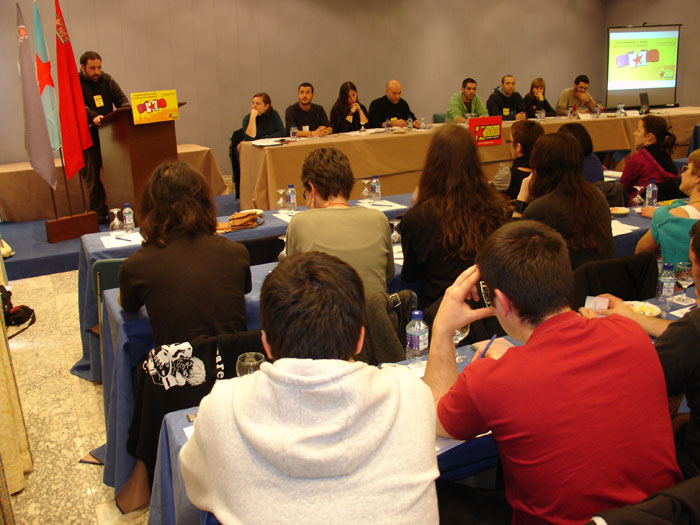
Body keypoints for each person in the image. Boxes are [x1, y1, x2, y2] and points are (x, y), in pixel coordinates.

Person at [424, 220, 681, 524]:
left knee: (435, 496)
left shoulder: (491, 379)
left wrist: (442, 328)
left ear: (501, 302)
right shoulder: (631, 334)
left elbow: (434, 419)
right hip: (658, 516)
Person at [180, 252, 440, 524]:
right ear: (361, 339)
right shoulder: (411, 396)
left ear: (266, 345)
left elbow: (196, 491)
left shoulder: (221, 408)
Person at [117, 161, 253, 511]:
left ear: (151, 209)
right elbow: (243, 290)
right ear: (205, 204)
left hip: (174, 390)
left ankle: (140, 469)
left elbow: (127, 306)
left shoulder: (137, 265)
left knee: (139, 367)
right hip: (235, 380)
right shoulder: (236, 253)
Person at [581, 220, 700, 479]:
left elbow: (628, 386)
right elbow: (682, 334)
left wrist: (597, 333)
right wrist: (629, 315)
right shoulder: (689, 332)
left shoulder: (691, 333)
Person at [399, 124, 507, 310]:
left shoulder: (419, 217)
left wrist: (418, 204)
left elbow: (410, 275)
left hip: (441, 313)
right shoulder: (496, 208)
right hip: (489, 310)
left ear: (432, 163)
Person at [283, 148, 394, 294]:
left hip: (325, 308)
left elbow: (292, 279)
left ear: (312, 189)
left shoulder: (300, 222)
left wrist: (312, 214)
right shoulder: (379, 218)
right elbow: (389, 275)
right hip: (374, 308)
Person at [513, 133, 614, 269]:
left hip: (562, 281)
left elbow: (509, 255)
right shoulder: (596, 196)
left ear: (538, 167)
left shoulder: (541, 209)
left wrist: (521, 199)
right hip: (600, 279)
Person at [79, 51, 130, 221]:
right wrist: (93, 117)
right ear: (83, 67)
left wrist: (126, 111)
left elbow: (122, 101)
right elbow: (79, 106)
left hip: (110, 137)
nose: (97, 72)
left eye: (99, 67)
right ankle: (98, 213)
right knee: (93, 179)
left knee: (117, 175)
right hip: (88, 138)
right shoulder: (76, 82)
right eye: (92, 68)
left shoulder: (107, 80)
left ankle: (120, 210)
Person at [635, 149, 700, 265]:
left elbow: (640, 254)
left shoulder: (668, 218)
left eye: (686, 169)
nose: (682, 174)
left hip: (677, 275)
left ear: (698, 177)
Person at [620, 114, 680, 204]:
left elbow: (624, 187)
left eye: (638, 130)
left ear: (649, 136)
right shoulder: (666, 156)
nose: (634, 134)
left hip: (641, 205)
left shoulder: (639, 158)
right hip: (668, 204)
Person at [490, 119, 544, 198]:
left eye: (509, 141)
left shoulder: (507, 175)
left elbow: (485, 196)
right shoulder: (546, 173)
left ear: (518, 147)